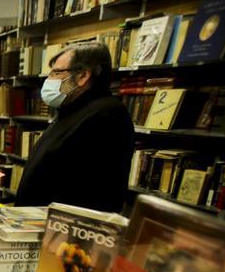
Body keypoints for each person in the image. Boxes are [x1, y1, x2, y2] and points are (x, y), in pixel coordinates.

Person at [15, 42, 135, 213]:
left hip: (64, 232)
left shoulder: (105, 116)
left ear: (83, 75)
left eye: (56, 72)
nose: (49, 80)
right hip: (40, 223)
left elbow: (91, 191)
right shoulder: (73, 110)